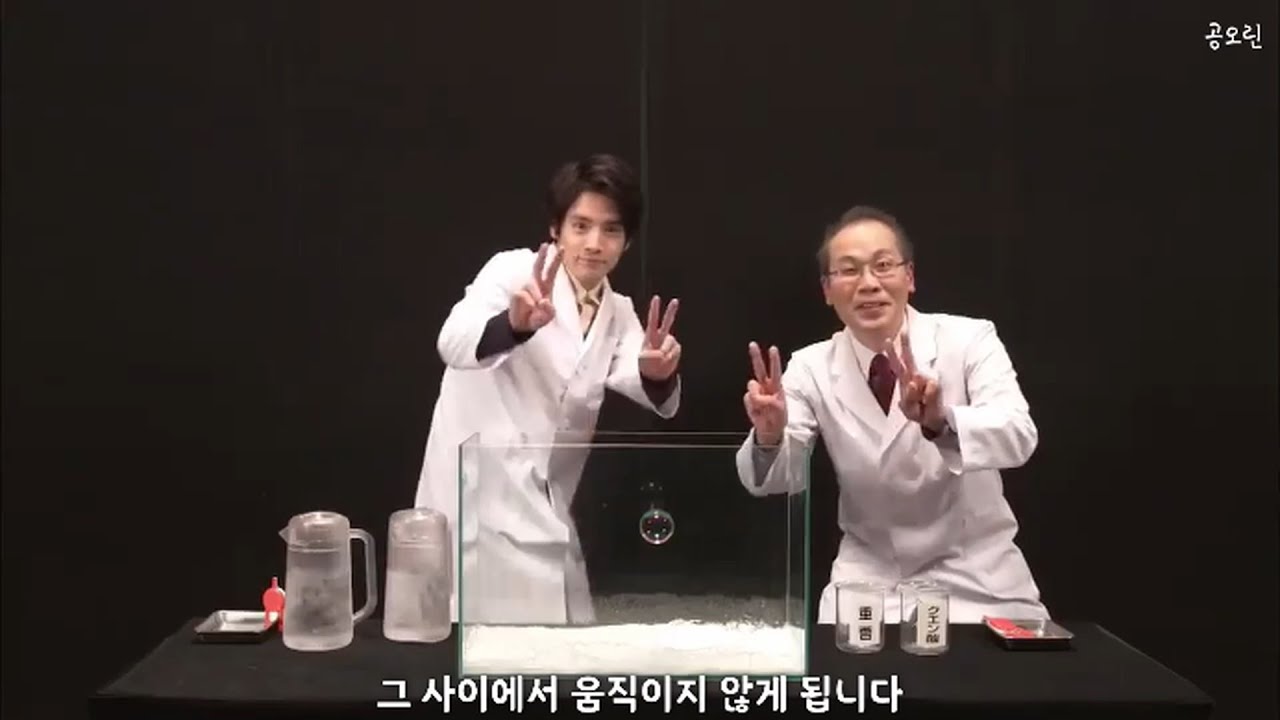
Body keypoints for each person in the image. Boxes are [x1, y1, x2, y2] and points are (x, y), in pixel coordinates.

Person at [735, 205, 1047, 624]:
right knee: (844, 665)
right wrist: (771, 436)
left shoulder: (969, 339)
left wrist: (940, 422)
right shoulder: (810, 366)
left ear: (909, 277)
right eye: (849, 270)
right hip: (869, 582)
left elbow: (1018, 435)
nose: (868, 284)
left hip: (978, 578)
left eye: (883, 265)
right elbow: (775, 480)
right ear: (827, 290)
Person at [414, 154, 682, 625]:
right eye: (580, 226)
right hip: (477, 501)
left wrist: (658, 371)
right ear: (556, 229)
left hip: (546, 508)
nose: (594, 244)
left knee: (558, 645)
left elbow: (646, 383)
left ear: (627, 241)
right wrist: (514, 326)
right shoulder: (513, 272)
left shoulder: (618, 311)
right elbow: (452, 342)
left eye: (611, 230)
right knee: (477, 645)